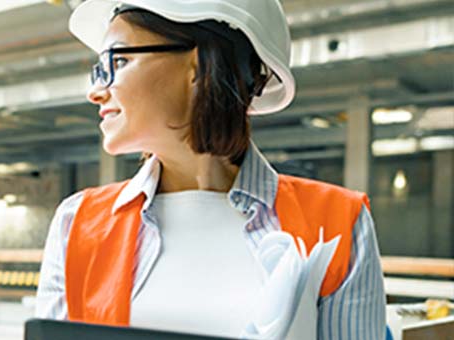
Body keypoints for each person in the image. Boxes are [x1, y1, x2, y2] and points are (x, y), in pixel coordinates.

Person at [35, 1, 386, 339]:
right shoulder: (77, 222)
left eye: (119, 60)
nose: (96, 91)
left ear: (198, 66)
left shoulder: (338, 223)